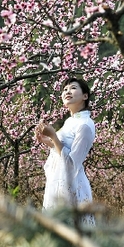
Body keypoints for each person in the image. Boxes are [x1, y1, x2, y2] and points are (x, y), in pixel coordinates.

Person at [35, 77, 95, 224]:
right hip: (57, 182)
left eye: (73, 88)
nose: (67, 91)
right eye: (65, 89)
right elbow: (62, 149)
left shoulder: (85, 125)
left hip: (72, 187)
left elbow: (71, 164)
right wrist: (47, 140)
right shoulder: (70, 121)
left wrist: (54, 136)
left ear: (85, 96)